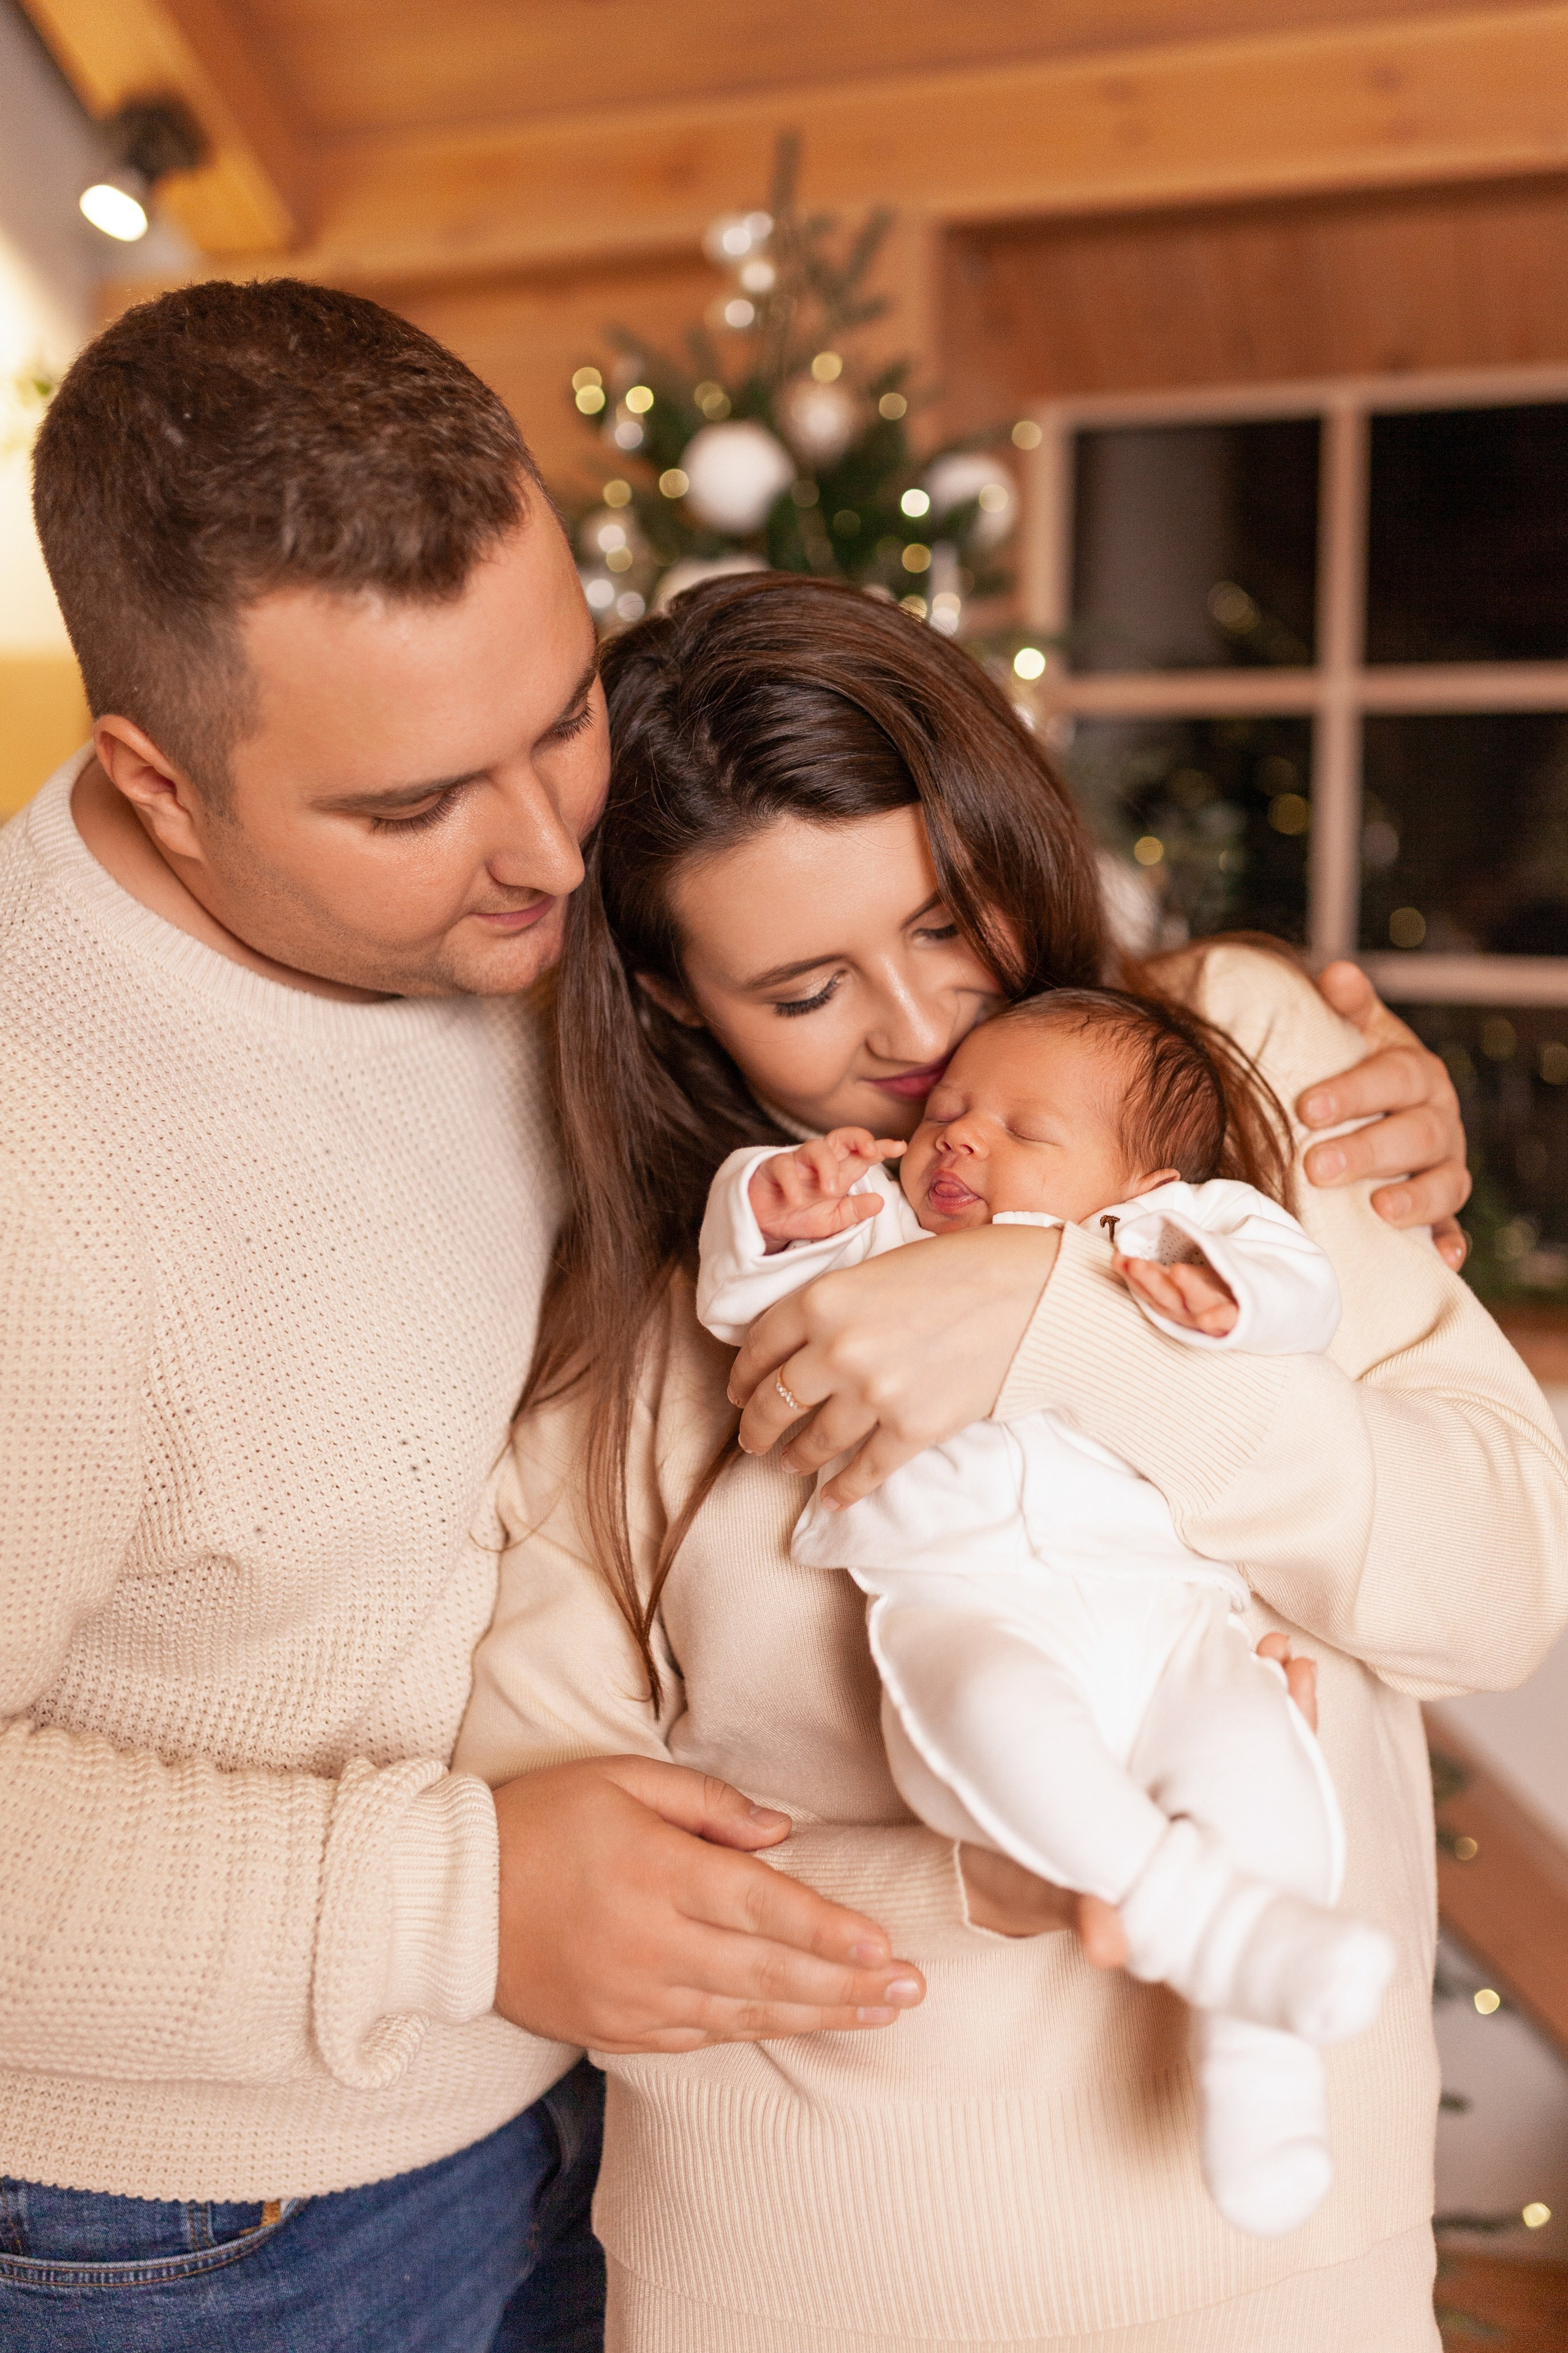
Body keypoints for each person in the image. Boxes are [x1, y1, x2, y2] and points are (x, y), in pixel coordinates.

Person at [454, 573, 1568, 2352]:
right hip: (780, 2290)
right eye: (807, 987)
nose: (912, 1031)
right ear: (675, 1002)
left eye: (948, 920)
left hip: (1276, 2276)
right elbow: (560, 1878)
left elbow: (1504, 1575)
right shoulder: (650, 1320)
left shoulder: (1231, 1078)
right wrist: (993, 1872)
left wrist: (1055, 1316)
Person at [697, 989, 1393, 2240]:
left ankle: (1259, 2069)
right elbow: (748, 1308)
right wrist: (775, 1216)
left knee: (1265, 1770)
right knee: (994, 1724)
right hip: (959, 1599)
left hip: (1169, 1613)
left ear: (1142, 1174)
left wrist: (1228, 1291)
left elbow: (1300, 1282)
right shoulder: (880, 1235)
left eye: (1024, 1125)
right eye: (952, 1110)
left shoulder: (1172, 1231)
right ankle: (1208, 1924)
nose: (961, 1140)